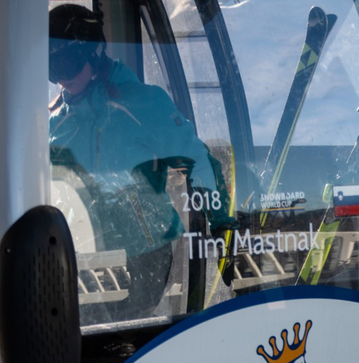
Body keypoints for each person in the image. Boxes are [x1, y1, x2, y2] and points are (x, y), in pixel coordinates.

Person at [48, 4, 232, 323]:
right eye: (52, 68)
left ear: (94, 53)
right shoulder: (57, 125)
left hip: (146, 252)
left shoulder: (141, 104)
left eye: (68, 63)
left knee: (113, 330)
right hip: (86, 252)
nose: (62, 78)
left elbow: (197, 159)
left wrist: (222, 225)